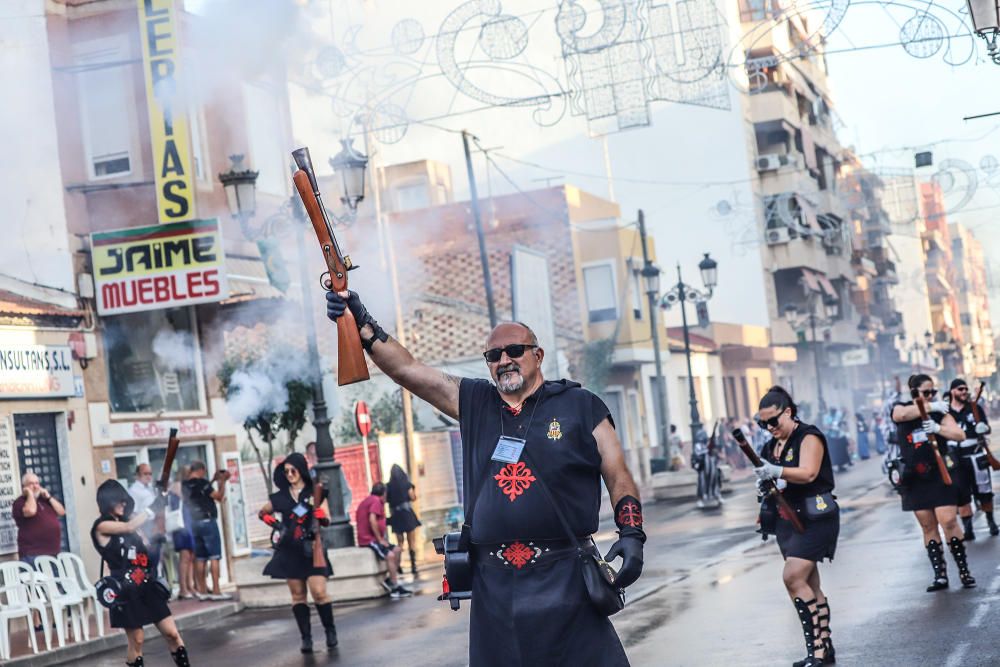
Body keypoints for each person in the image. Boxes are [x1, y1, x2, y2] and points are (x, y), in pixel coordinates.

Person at [326, 290, 643, 666]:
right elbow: (409, 370)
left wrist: (632, 533)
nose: (504, 361)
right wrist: (361, 322)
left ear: (537, 355)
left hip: (565, 577)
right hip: (495, 585)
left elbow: (618, 472)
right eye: (494, 356)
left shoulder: (581, 405)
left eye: (514, 351)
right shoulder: (475, 401)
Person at [752, 386, 839, 667]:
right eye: (763, 423)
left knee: (792, 577)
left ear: (788, 412)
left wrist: (777, 471)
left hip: (815, 517)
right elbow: (774, 481)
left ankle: (816, 651)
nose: (769, 428)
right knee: (809, 582)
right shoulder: (770, 445)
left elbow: (809, 472)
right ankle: (825, 645)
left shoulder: (808, 436)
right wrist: (765, 485)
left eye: (773, 421)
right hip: (786, 519)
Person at [91, 479, 190, 667]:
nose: (122, 504)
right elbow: (129, 527)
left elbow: (145, 545)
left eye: (123, 500)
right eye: (117, 501)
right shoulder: (102, 526)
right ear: (107, 503)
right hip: (125, 590)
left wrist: (160, 505)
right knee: (137, 640)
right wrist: (153, 507)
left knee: (172, 633)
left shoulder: (131, 524)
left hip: (147, 584)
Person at [891, 374, 975, 591]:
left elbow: (959, 434)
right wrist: (926, 407)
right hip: (915, 476)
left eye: (933, 392)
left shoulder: (940, 412)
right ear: (914, 393)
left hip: (940, 473)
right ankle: (940, 575)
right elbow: (899, 415)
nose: (931, 396)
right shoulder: (902, 408)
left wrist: (938, 429)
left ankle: (964, 570)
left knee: (948, 521)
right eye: (926, 392)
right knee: (928, 526)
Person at [257, 453, 338, 653]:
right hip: (289, 550)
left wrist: (322, 516)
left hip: (311, 548)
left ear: (301, 470)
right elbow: (263, 513)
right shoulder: (280, 497)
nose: (290, 474)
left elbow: (327, 517)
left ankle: (330, 631)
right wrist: (275, 525)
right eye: (286, 472)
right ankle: (306, 638)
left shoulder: (314, 492)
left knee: (319, 592)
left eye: (293, 470)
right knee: (298, 596)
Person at [945, 378, 996, 540]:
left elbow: (986, 428)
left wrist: (984, 428)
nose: (964, 392)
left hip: (976, 454)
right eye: (960, 389)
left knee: (984, 491)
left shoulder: (975, 408)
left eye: (966, 389)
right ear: (953, 391)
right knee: (961, 494)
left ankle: (991, 521)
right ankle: (968, 528)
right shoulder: (946, 413)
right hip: (957, 459)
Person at [182, 461, 232, 601]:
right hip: (207, 521)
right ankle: (216, 591)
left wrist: (212, 480)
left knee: (200, 557)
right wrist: (222, 482)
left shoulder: (185, 485)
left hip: (194, 523)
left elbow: (200, 493)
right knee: (214, 556)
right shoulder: (203, 483)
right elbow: (219, 496)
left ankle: (202, 591)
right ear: (202, 470)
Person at [356, 481, 413, 598]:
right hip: (369, 539)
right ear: (384, 493)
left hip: (374, 538)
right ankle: (395, 587)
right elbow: (372, 519)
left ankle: (391, 580)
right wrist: (380, 539)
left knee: (397, 550)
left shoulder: (371, 500)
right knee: (390, 555)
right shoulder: (375, 501)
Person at [12, 471, 65, 566]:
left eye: (37, 483)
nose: (36, 486)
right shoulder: (19, 502)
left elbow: (61, 511)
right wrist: (30, 494)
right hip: (32, 554)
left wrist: (49, 497)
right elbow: (31, 511)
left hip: (53, 553)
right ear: (24, 487)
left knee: (56, 580)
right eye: (31, 484)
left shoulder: (45, 500)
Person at [386, 464, 422, 576]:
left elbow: (387, 500)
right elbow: (413, 497)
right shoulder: (407, 484)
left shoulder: (388, 486)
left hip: (396, 516)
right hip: (407, 514)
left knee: (399, 543)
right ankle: (413, 566)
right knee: (411, 542)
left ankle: (398, 566)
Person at [128, 464, 162, 577]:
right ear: (137, 475)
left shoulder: (150, 489)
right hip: (143, 527)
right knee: (147, 565)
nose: (148, 476)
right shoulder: (134, 490)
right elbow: (132, 514)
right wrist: (142, 535)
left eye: (150, 474)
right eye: (145, 473)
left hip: (153, 527)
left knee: (155, 564)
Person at [169, 466, 196, 599]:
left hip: (188, 523)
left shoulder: (184, 486)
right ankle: (183, 588)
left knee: (190, 557)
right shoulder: (177, 487)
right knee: (185, 557)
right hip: (181, 525)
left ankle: (189, 585)